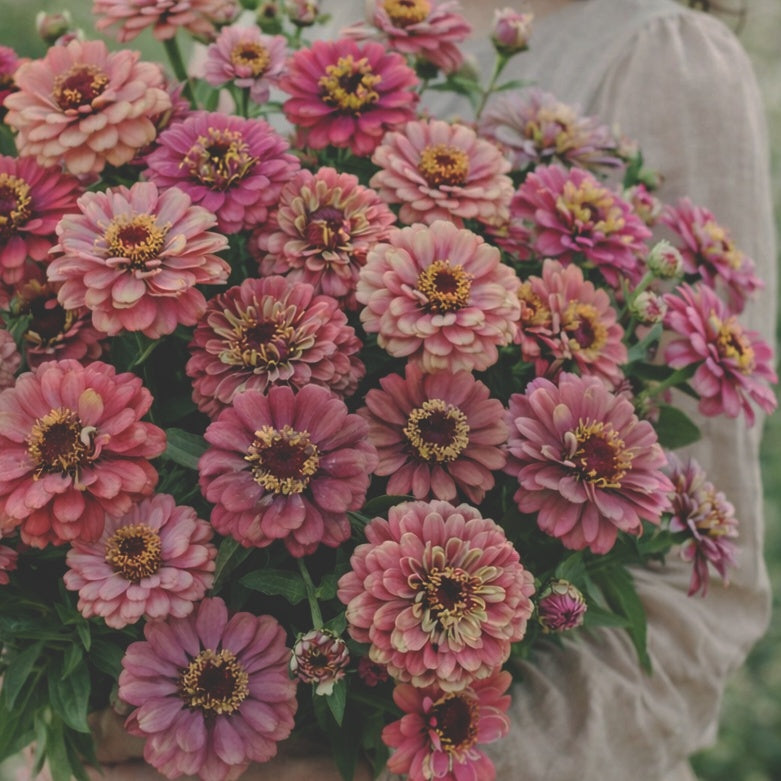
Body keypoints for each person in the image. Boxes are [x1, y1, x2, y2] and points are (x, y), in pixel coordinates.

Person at [16, 1, 777, 780]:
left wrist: (396, 766)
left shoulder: (664, 57)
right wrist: (100, 718)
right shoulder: (290, 23)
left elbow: (702, 607)